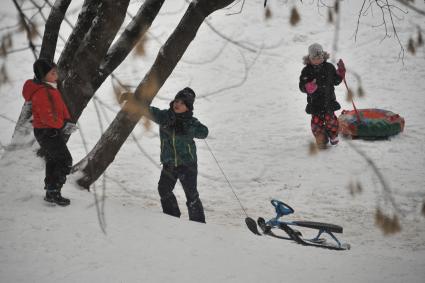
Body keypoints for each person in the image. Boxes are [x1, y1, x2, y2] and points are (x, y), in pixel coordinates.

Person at [148, 87, 208, 223]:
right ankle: (172, 218)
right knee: (163, 189)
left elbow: (204, 132)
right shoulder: (164, 117)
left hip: (188, 164)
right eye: (176, 100)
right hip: (169, 163)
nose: (177, 104)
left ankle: (198, 224)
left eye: (182, 103)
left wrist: (190, 127)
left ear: (188, 107)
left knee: (191, 195)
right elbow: (148, 111)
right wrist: (133, 99)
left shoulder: (192, 122)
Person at [22, 58, 77, 206]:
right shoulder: (42, 92)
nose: (56, 74)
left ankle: (51, 192)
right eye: (52, 72)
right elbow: (48, 116)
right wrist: (62, 124)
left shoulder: (51, 88)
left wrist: (66, 120)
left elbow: (59, 108)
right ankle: (53, 191)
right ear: (43, 76)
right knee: (65, 160)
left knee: (54, 160)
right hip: (46, 131)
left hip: (50, 130)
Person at [299, 43, 346, 148]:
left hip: (328, 101)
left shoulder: (329, 67)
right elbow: (301, 86)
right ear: (310, 58)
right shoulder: (306, 71)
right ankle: (321, 139)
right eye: (314, 58)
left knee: (331, 120)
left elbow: (336, 80)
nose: (317, 60)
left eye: (319, 57)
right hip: (315, 103)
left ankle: (333, 135)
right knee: (316, 123)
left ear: (323, 56)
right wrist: (308, 87)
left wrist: (340, 73)